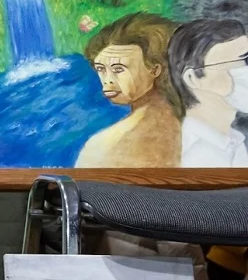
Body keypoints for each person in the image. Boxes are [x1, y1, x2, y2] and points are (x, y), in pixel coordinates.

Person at [75, 13, 183, 168]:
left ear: (154, 69)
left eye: (119, 69)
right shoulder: (195, 127)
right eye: (100, 69)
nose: (108, 80)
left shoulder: (101, 147)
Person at [169, 18, 248, 167]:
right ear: (192, 78)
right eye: (239, 61)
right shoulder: (188, 152)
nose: (244, 71)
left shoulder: (235, 143)